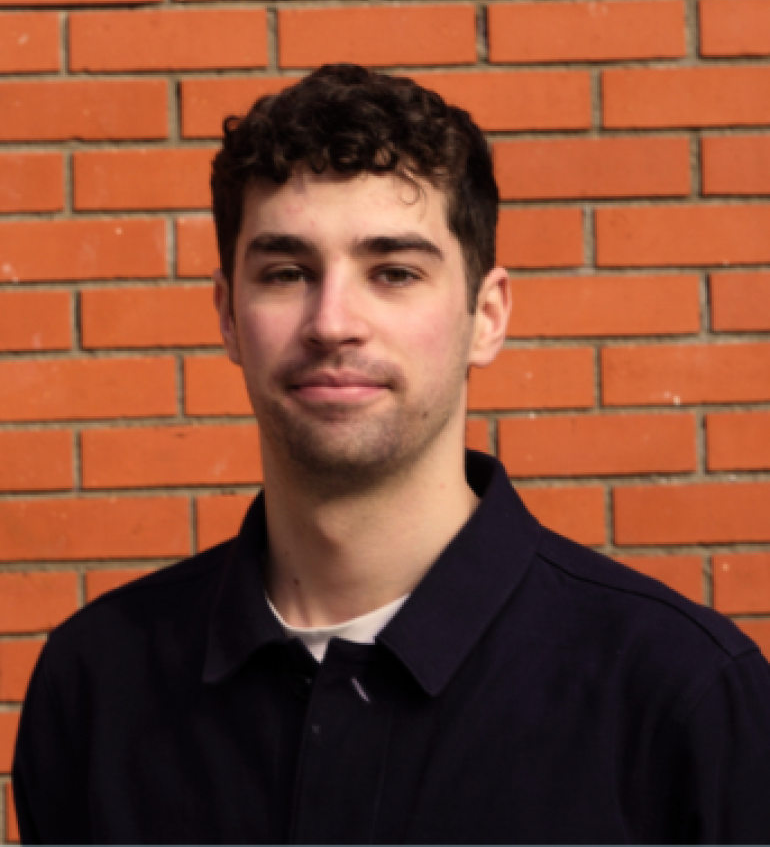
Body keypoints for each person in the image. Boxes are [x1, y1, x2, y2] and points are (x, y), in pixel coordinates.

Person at [12, 63, 770, 845]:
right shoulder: (96, 688)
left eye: (395, 272)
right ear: (229, 317)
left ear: (487, 315)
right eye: (285, 273)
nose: (333, 321)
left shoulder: (680, 697)